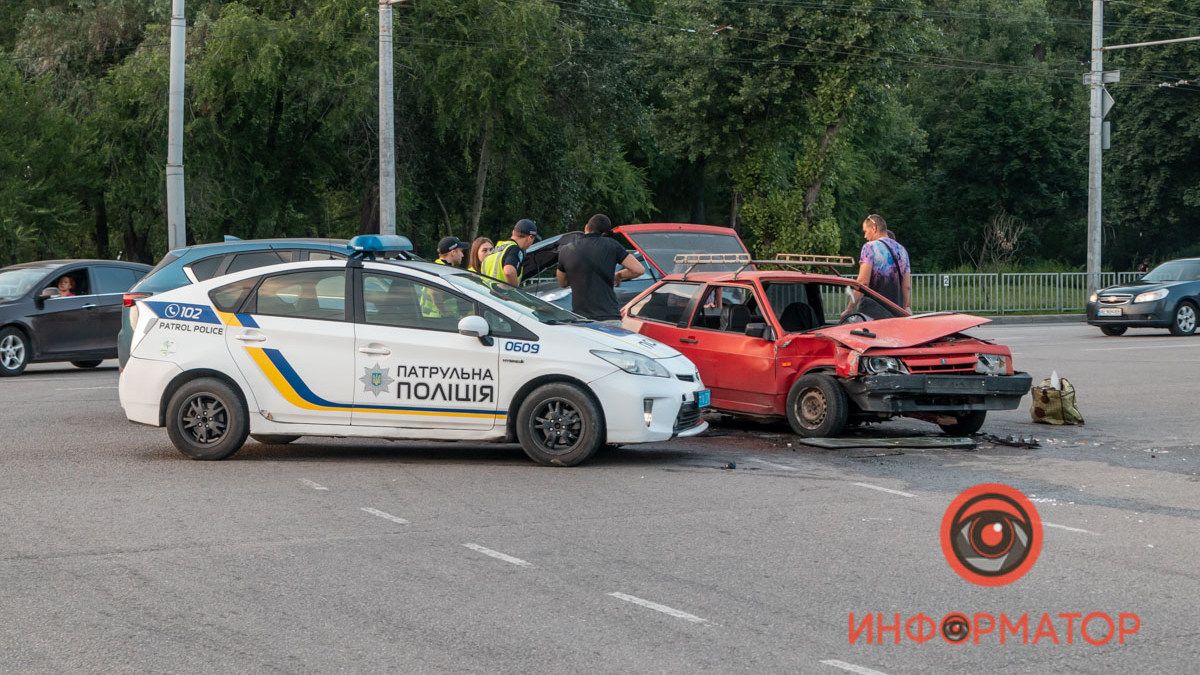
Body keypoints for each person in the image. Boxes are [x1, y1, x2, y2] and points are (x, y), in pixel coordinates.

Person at [555, 214, 644, 321]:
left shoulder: (567, 249)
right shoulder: (612, 245)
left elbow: (562, 283)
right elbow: (639, 270)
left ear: (586, 227)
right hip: (609, 317)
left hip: (582, 319)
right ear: (605, 232)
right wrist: (618, 275)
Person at [845, 213, 910, 316]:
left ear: (874, 228)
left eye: (865, 231)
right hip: (895, 313)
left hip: (873, 312)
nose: (865, 236)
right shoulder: (902, 250)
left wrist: (849, 309)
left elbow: (863, 282)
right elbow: (906, 287)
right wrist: (905, 308)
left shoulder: (869, 247)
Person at [480, 219, 539, 286]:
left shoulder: (495, 250)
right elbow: (509, 272)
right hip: (502, 295)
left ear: (513, 232)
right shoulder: (515, 249)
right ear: (530, 238)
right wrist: (514, 291)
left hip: (486, 294)